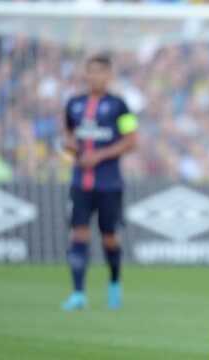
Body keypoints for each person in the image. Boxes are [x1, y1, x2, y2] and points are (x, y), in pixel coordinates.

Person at [61, 54, 138, 311]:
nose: (95, 76)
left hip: (109, 184)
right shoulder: (73, 104)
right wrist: (70, 146)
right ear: (85, 74)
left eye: (100, 72)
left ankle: (114, 283)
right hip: (79, 182)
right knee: (79, 233)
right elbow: (68, 134)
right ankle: (78, 293)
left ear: (108, 75)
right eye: (91, 72)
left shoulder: (120, 105)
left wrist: (100, 155)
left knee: (109, 238)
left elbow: (131, 140)